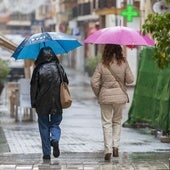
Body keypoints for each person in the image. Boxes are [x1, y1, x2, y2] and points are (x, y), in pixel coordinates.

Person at [90, 44, 134, 161]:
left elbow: (94, 82)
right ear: (119, 51)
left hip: (105, 97)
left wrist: (99, 93)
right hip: (120, 97)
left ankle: (108, 149)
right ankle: (116, 146)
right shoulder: (123, 63)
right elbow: (131, 80)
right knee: (117, 122)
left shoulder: (102, 64)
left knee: (106, 123)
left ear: (106, 51)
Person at [30, 46, 68, 161]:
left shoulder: (38, 69)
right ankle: (55, 139)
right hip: (57, 101)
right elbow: (66, 81)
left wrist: (33, 103)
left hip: (42, 103)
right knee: (55, 123)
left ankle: (46, 153)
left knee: (44, 127)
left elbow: (33, 88)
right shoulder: (58, 67)